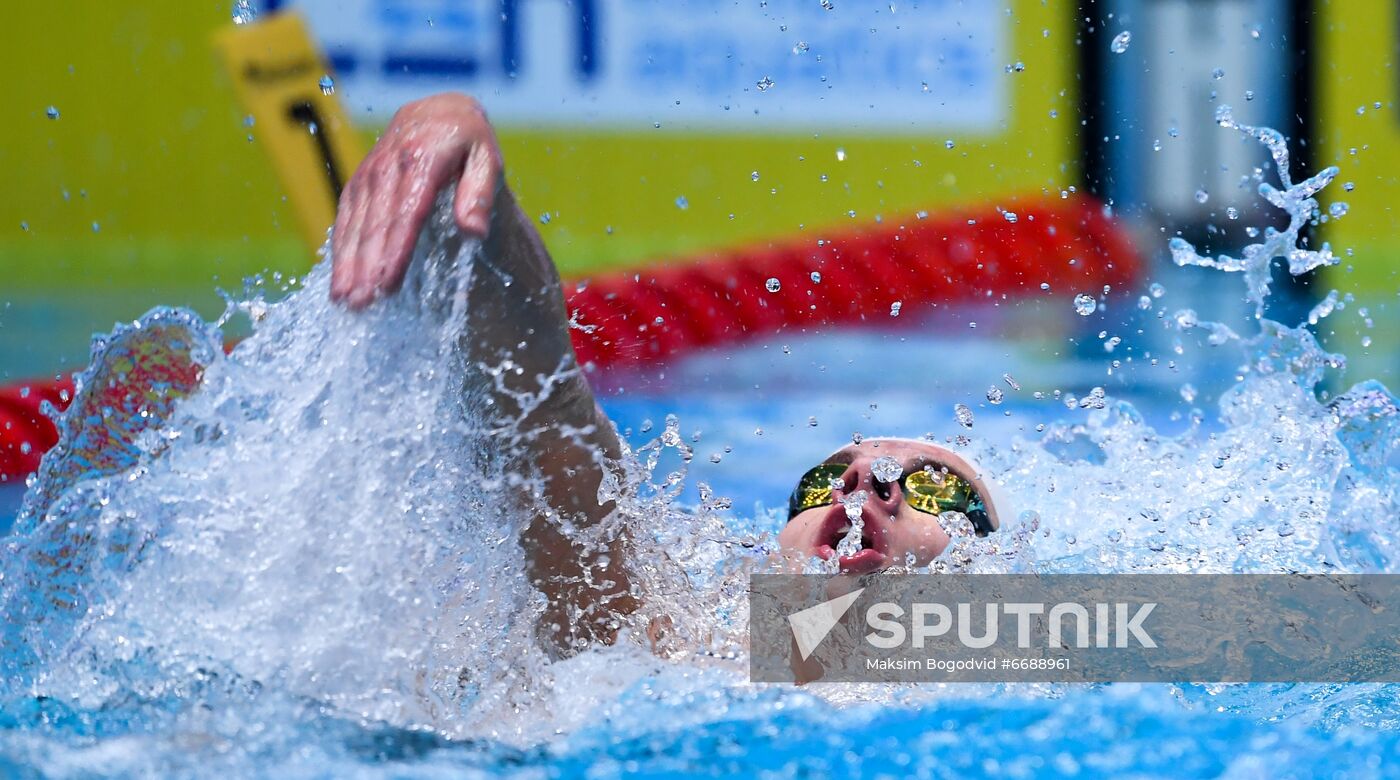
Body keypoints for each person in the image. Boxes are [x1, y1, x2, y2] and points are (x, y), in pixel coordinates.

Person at [329, 92, 1005, 654]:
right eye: (822, 481)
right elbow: (550, 426)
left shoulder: (1043, 645)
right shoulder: (685, 656)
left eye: (933, 486)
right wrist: (452, 126)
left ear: (991, 572)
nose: (861, 483)